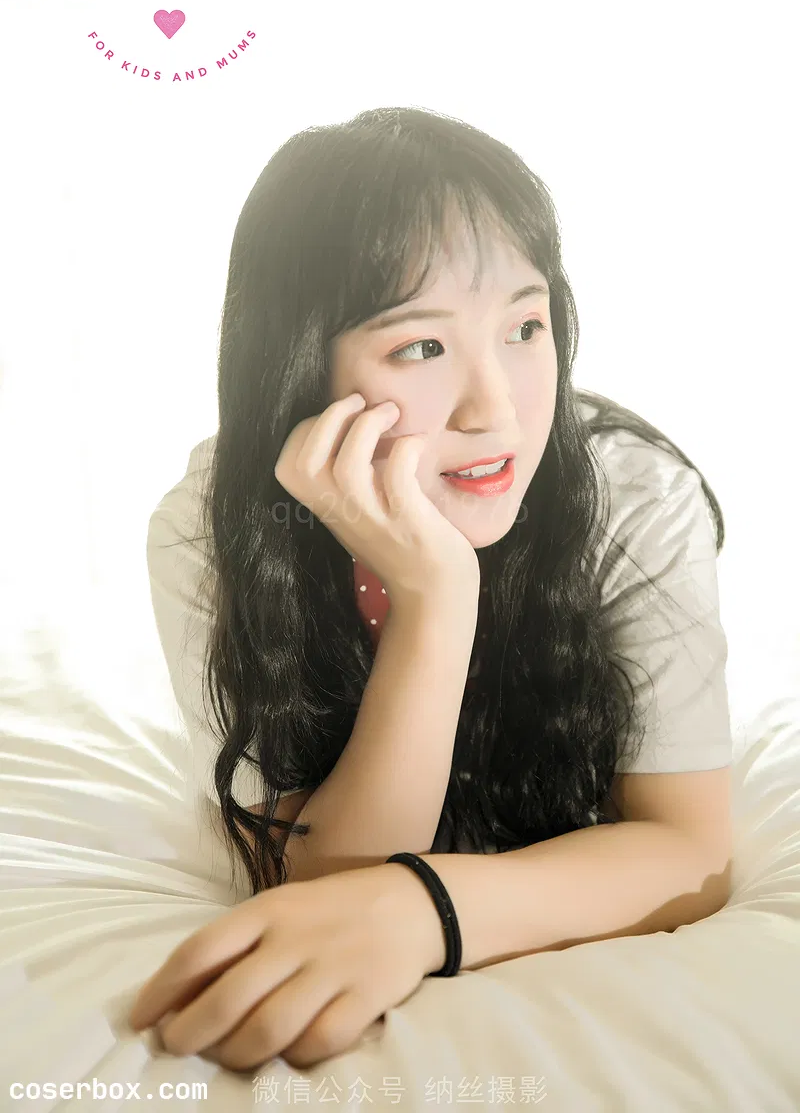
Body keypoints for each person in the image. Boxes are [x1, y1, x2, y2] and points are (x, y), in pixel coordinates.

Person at [134, 107, 732, 1070]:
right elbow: (317, 884)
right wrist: (436, 599)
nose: (496, 408)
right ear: (300, 366)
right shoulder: (212, 529)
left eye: (526, 327)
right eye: (421, 347)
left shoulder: (629, 493)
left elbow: (692, 854)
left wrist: (424, 911)